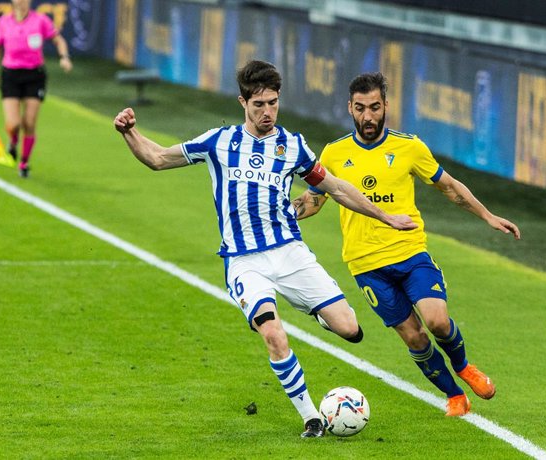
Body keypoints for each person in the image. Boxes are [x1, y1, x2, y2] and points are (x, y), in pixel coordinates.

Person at [113, 61, 417, 437]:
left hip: (290, 252)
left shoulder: (293, 146)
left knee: (350, 329)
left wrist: (385, 216)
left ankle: (315, 310)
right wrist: (130, 133)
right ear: (243, 102)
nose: (267, 111)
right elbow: (158, 159)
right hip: (245, 261)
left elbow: (336, 188)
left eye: (273, 103)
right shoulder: (218, 142)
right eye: (259, 104)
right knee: (273, 333)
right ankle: (311, 417)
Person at [293, 72, 521, 417]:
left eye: (374, 107)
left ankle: (463, 366)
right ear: (349, 109)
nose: (367, 116)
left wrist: (487, 216)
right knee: (414, 337)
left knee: (437, 321)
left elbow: (450, 187)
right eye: (360, 108)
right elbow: (314, 199)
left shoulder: (409, 147)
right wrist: (284, 214)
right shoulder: (335, 153)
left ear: (386, 106)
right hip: (366, 264)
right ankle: (455, 396)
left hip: (409, 252)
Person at [0, 0, 73, 178]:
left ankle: (24, 162)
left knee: (29, 122)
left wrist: (64, 57)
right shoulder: (4, 21)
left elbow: (58, 40)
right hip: (10, 75)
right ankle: (13, 141)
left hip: (34, 76)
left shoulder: (40, 21)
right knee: (13, 124)